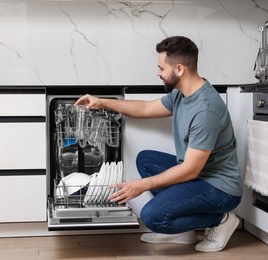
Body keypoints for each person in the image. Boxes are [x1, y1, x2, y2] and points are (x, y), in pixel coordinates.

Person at [74, 36, 243, 252]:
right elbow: (145, 109)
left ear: (179, 69)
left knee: (153, 217)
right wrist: (102, 102)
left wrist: (141, 185)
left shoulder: (205, 110)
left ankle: (221, 219)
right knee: (147, 159)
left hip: (220, 189)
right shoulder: (183, 94)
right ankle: (183, 233)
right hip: (201, 176)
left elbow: (190, 170)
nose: (158, 73)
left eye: (161, 68)